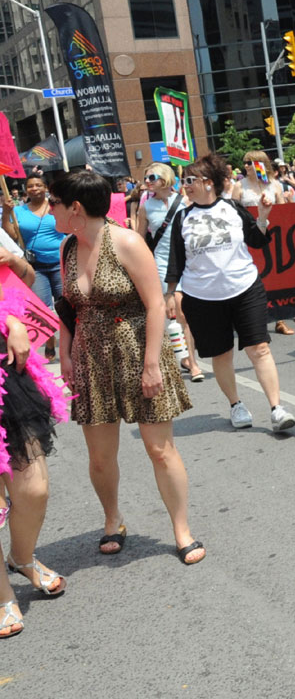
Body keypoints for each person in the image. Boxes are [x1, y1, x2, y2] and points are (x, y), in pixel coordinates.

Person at [52, 170, 203, 565]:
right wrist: (65, 354)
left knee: (159, 449)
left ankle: (182, 529)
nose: (50, 209)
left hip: (138, 351)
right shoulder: (68, 247)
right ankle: (112, 519)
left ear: (75, 208)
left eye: (55, 203)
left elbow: (155, 305)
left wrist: (152, 365)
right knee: (100, 458)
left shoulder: (127, 242)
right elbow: (68, 307)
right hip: (91, 358)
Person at [166, 154, 295, 434]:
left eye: (190, 180)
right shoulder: (183, 218)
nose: (185, 185)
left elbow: (258, 240)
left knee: (259, 348)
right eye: (184, 180)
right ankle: (236, 404)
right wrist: (170, 294)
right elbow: (176, 260)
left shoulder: (232, 208)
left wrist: (263, 216)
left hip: (245, 288)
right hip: (202, 297)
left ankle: (276, 408)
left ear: (209, 183)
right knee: (221, 354)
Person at [0, 243, 70, 638]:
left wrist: (12, 321)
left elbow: (22, 279)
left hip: (7, 377)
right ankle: (2, 595)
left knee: (35, 488)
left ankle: (22, 557)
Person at [133, 164, 204, 383]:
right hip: (162, 264)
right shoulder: (146, 207)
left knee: (186, 313)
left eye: (152, 177)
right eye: (145, 178)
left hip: (188, 261)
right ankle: (192, 363)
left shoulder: (184, 201)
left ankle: (186, 356)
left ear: (165, 178)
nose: (147, 181)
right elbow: (139, 239)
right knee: (180, 312)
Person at [233, 151, 295, 335]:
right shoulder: (239, 186)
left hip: (273, 235)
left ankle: (279, 319)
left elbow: (283, 211)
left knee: (275, 274)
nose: (245, 166)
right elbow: (232, 211)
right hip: (250, 236)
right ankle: (253, 319)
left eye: (250, 163)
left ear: (260, 164)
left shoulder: (274, 185)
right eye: (245, 162)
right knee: (256, 276)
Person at [3, 176, 65, 358]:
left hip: (60, 263)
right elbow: (12, 235)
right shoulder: (18, 211)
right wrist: (6, 213)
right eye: (30, 186)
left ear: (45, 188)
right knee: (42, 308)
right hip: (36, 266)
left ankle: (69, 343)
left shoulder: (55, 207)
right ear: (26, 189)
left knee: (65, 306)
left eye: (38, 185)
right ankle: (50, 341)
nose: (34, 188)